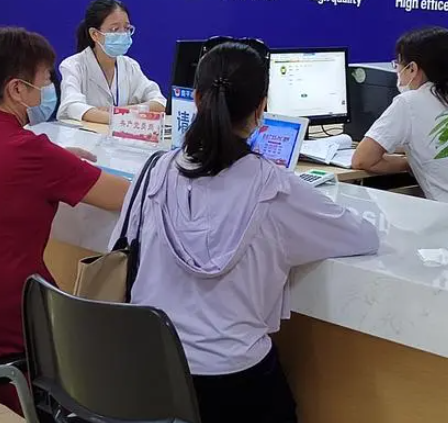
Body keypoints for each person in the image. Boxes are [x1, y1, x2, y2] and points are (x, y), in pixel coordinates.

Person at [109, 41, 379, 423]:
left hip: (146, 372)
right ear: (261, 108)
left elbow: (119, 250)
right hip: (233, 381)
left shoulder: (153, 171)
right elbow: (361, 236)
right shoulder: (276, 187)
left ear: (197, 99)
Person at [0, 27, 130, 423]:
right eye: (45, 79)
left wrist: (56, 158)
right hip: (8, 329)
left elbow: (4, 165)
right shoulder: (33, 154)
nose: (49, 88)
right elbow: (128, 197)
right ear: (17, 89)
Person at [352, 27, 448, 206]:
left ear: (412, 68)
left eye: (397, 64)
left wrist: (408, 164)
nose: (397, 71)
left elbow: (362, 160)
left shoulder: (409, 102)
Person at [59, 0, 166, 124]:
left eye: (127, 28)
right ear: (94, 34)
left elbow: (159, 102)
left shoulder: (130, 66)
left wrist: (119, 112)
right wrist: (121, 118)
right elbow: (72, 106)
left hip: (123, 135)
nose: (123, 34)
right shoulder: (73, 65)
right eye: (115, 29)